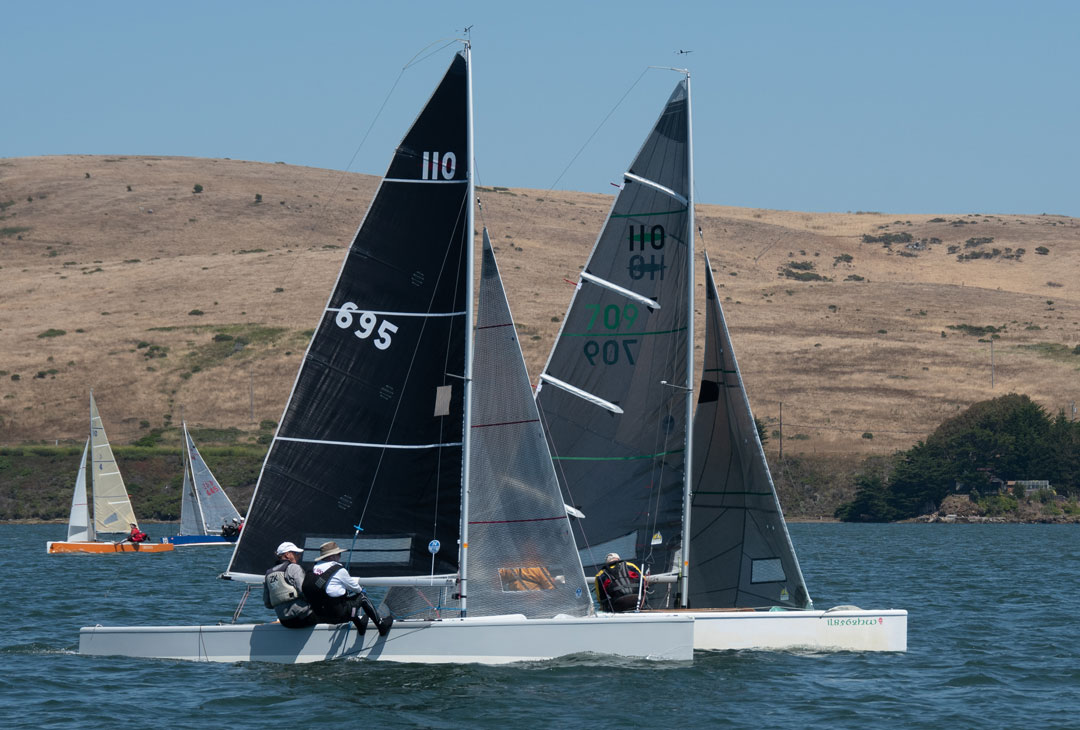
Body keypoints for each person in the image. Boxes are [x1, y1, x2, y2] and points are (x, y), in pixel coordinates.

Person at [303, 541, 393, 637]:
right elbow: (357, 589)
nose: (340, 557)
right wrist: (360, 590)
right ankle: (381, 626)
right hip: (338, 616)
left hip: (320, 616)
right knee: (362, 597)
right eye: (339, 554)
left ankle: (361, 626)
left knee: (344, 600)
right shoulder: (339, 570)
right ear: (331, 557)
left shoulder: (312, 569)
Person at [263, 542, 319, 628]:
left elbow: (268, 603)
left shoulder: (268, 573)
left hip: (285, 622)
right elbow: (304, 591)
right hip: (303, 617)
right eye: (296, 553)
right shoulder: (294, 568)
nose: (299, 556)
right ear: (287, 555)